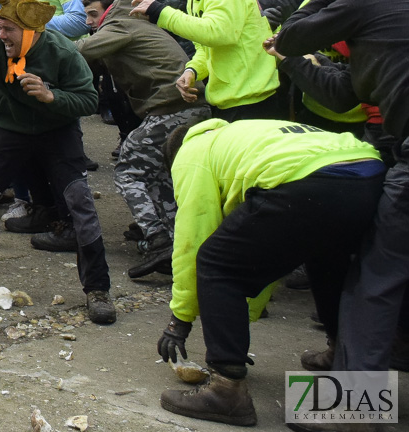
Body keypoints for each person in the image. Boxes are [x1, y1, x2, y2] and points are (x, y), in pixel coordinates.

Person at [156, 118, 385, 428]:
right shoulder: (247, 133)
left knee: (214, 261)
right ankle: (340, 354)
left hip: (311, 181)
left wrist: (179, 321)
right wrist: (235, 328)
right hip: (368, 173)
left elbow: (192, 243)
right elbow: (266, 250)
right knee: (327, 258)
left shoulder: (192, 154)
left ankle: (226, 392)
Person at [0, 0, 116, 324]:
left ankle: (97, 289)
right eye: (0, 26)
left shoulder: (61, 51)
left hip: (57, 131)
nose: (1, 34)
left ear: (32, 31)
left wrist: (52, 97)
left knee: (81, 204)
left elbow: (89, 99)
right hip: (11, 130)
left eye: (9, 29)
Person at [274, 0, 409, 392]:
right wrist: (292, 61)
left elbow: (291, 34)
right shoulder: (390, 24)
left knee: (374, 277)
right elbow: (343, 94)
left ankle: (355, 407)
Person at [79, 0, 209, 277]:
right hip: (183, 106)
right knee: (157, 175)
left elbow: (82, 52)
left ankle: (158, 239)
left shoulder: (121, 23)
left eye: (92, 14)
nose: (89, 22)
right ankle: (177, 245)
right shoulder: (131, 21)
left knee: (129, 170)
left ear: (110, 9)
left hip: (174, 107)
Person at [129, 0, 280, 121]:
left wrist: (161, 13)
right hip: (232, 98)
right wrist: (192, 71)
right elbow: (204, 46)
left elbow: (219, 33)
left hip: (251, 101)